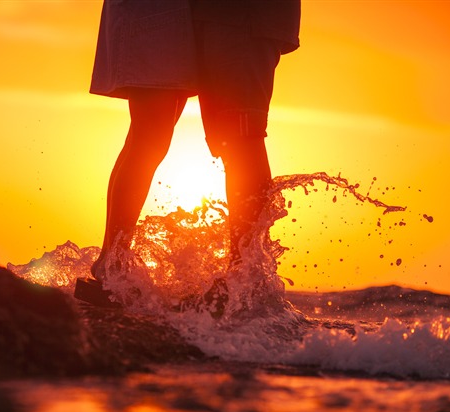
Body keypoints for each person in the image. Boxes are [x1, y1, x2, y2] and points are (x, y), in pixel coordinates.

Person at [87, 0, 301, 285]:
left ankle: (245, 277)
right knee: (158, 134)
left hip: (239, 15)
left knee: (238, 137)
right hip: (191, 16)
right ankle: (113, 264)